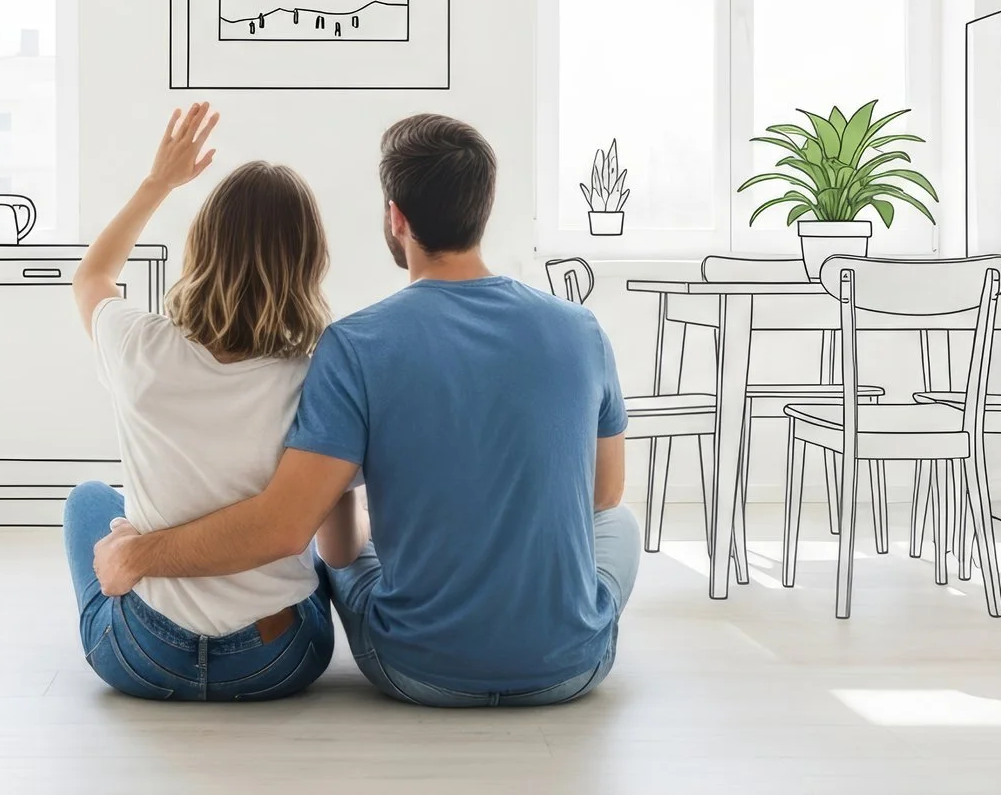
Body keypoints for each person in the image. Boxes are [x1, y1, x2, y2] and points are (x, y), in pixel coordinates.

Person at [96, 113, 638, 707]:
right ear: (482, 212)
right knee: (622, 524)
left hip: (414, 670)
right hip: (572, 670)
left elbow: (300, 534)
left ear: (396, 217)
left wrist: (138, 553)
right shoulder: (581, 329)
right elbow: (603, 493)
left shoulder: (355, 345)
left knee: (337, 550)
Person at [62, 102, 338, 701]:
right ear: (309, 261)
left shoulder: (136, 343)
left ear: (202, 247)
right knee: (315, 505)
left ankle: (139, 563)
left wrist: (157, 183)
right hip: (278, 661)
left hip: (145, 656)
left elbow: (91, 277)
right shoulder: (317, 378)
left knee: (89, 499)